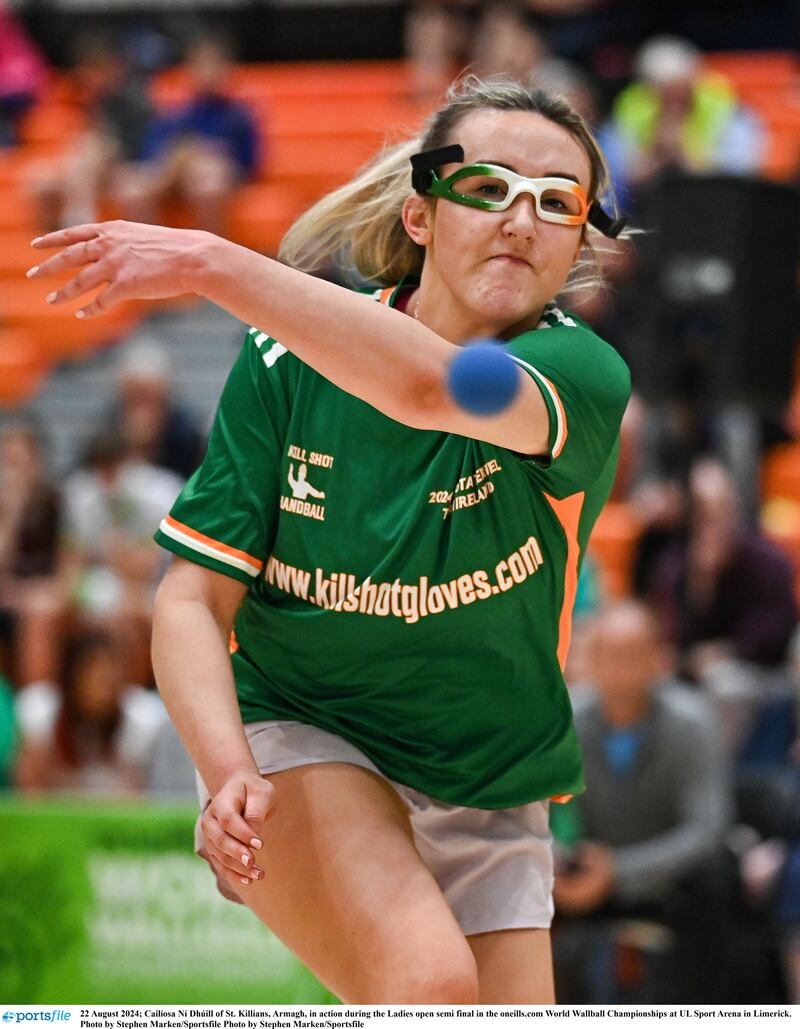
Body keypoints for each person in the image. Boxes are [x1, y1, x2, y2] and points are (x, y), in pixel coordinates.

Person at [29, 76, 631, 1004]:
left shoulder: (578, 373)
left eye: (558, 202)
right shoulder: (282, 365)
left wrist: (211, 262)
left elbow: (433, 389)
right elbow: (191, 598)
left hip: (489, 772)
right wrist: (227, 766)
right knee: (429, 987)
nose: (522, 217)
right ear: (422, 215)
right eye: (489, 185)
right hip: (308, 731)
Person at [552, 601, 734, 1002]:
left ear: (660, 658)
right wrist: (558, 868)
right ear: (589, 660)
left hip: (668, 879)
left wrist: (617, 872)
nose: (621, 668)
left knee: (717, 882)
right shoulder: (565, 720)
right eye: (609, 655)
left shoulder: (693, 721)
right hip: (586, 872)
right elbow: (533, 817)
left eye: (634, 654)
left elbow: (707, 829)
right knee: (521, 884)